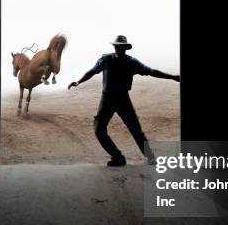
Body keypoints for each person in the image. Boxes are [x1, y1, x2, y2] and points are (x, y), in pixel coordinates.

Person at [68, 35, 180, 166]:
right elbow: (92, 71)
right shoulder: (106, 59)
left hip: (123, 99)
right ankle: (118, 157)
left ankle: (150, 157)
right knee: (99, 129)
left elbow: (151, 71)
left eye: (120, 47)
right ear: (114, 47)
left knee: (136, 130)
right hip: (107, 99)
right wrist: (78, 81)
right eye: (116, 46)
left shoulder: (131, 62)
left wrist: (172, 77)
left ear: (125, 48)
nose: (118, 49)